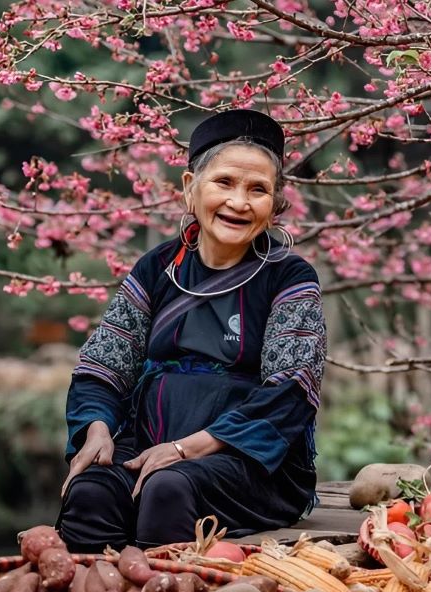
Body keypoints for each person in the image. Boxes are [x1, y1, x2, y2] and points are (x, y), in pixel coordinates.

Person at [57, 109, 326, 551]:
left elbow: (291, 389)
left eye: (258, 189)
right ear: (190, 189)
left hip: (246, 460)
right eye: (224, 182)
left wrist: (186, 449)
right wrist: (97, 427)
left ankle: (173, 582)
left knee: (168, 489)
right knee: (90, 493)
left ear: (275, 205)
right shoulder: (157, 268)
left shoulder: (289, 277)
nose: (239, 202)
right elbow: (105, 364)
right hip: (148, 440)